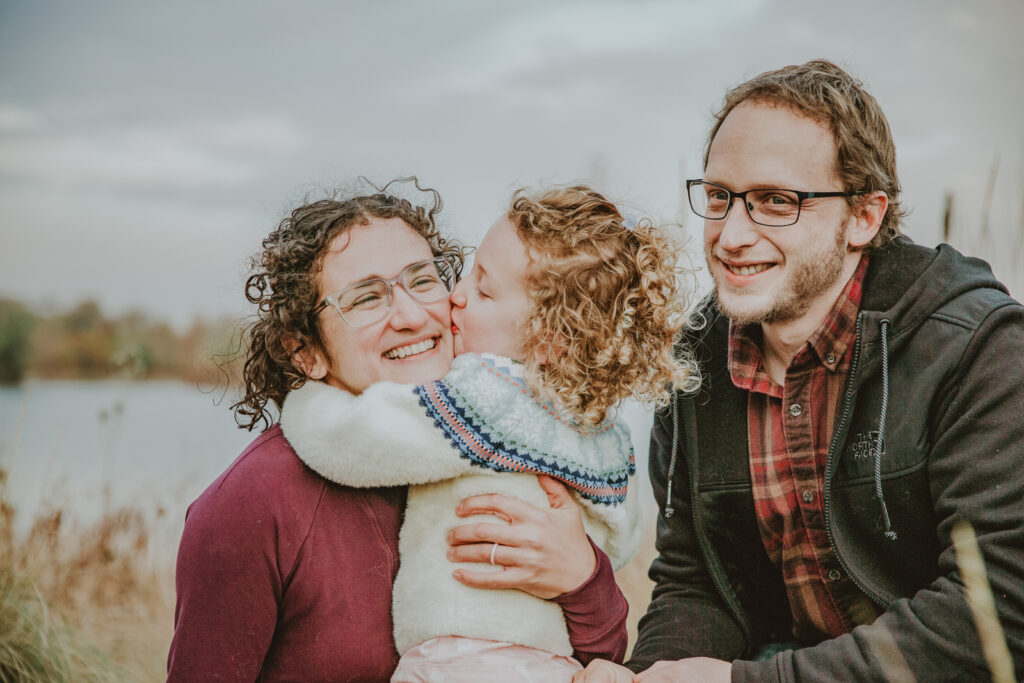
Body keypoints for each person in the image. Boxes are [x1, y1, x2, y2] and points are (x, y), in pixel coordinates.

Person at [575, 59, 1024, 682]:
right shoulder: (694, 367)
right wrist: (648, 676)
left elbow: (1000, 612)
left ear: (864, 216)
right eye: (719, 197)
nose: (731, 234)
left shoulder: (978, 350)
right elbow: (698, 583)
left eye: (775, 202)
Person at [167, 180, 631, 682]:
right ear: (306, 351)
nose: (412, 316)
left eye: (423, 280)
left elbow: (595, 656)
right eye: (366, 299)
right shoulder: (251, 504)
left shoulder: (505, 451)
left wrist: (585, 580)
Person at [279, 185, 700, 681]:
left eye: (482, 290)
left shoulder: (484, 398)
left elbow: (351, 441)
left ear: (548, 338)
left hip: (461, 660)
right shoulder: (604, 430)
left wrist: (308, 389)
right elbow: (623, 537)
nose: (455, 295)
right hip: (554, 664)